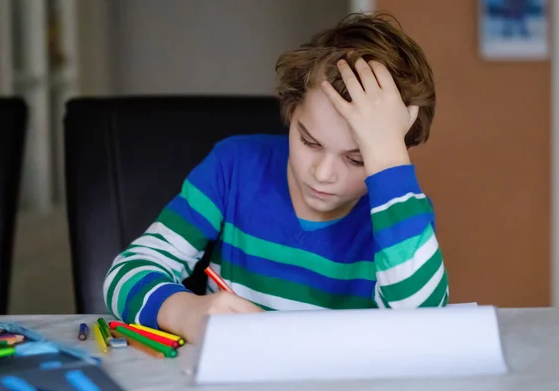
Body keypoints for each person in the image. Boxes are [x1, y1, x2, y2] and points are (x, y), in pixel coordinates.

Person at [102, 12, 449, 343]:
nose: (323, 174)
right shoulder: (233, 167)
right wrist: (185, 311)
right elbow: (125, 275)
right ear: (290, 109)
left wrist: (387, 160)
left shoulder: (398, 212)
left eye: (357, 159)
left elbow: (425, 324)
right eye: (309, 141)